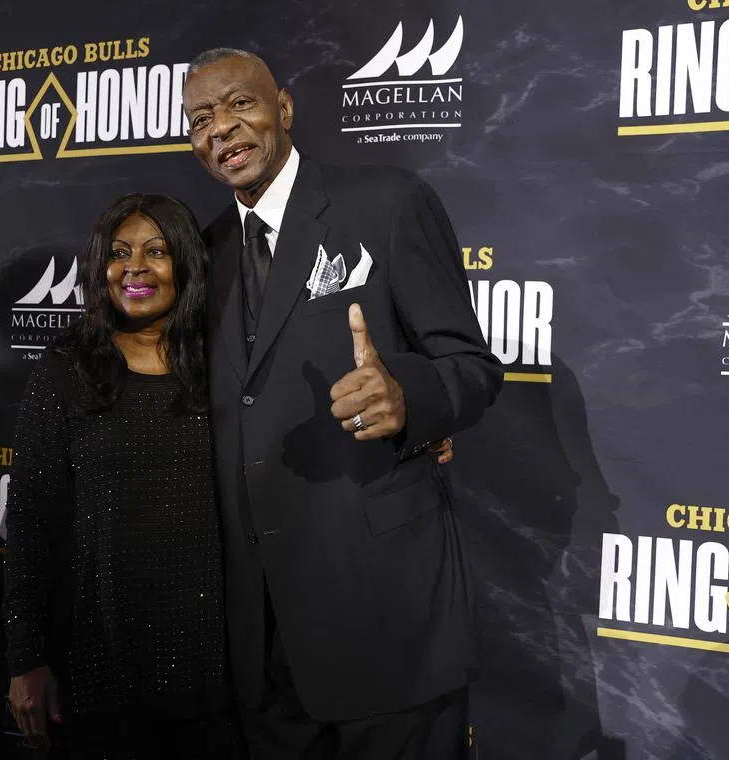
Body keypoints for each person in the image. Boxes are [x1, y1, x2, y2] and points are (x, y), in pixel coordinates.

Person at [181, 48, 505, 759]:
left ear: (284, 109)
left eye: (240, 104)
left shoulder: (387, 202)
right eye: (201, 118)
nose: (222, 129)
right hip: (263, 642)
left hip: (386, 616)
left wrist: (409, 399)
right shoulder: (204, 256)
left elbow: (472, 367)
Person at [2, 193, 244, 759]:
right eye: (119, 252)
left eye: (156, 251)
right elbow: (31, 521)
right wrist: (24, 658)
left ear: (185, 263)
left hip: (216, 665)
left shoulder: (226, 369)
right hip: (98, 661)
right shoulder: (66, 369)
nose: (134, 267)